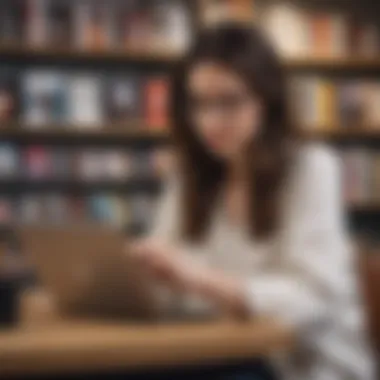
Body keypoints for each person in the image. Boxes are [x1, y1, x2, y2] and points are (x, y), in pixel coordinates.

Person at [129, 23, 375, 380]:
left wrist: (198, 280)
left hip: (303, 365)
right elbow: (168, 285)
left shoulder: (312, 168)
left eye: (228, 102)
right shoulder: (190, 176)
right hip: (217, 351)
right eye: (198, 104)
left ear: (267, 100)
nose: (209, 122)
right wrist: (142, 277)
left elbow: (314, 300)